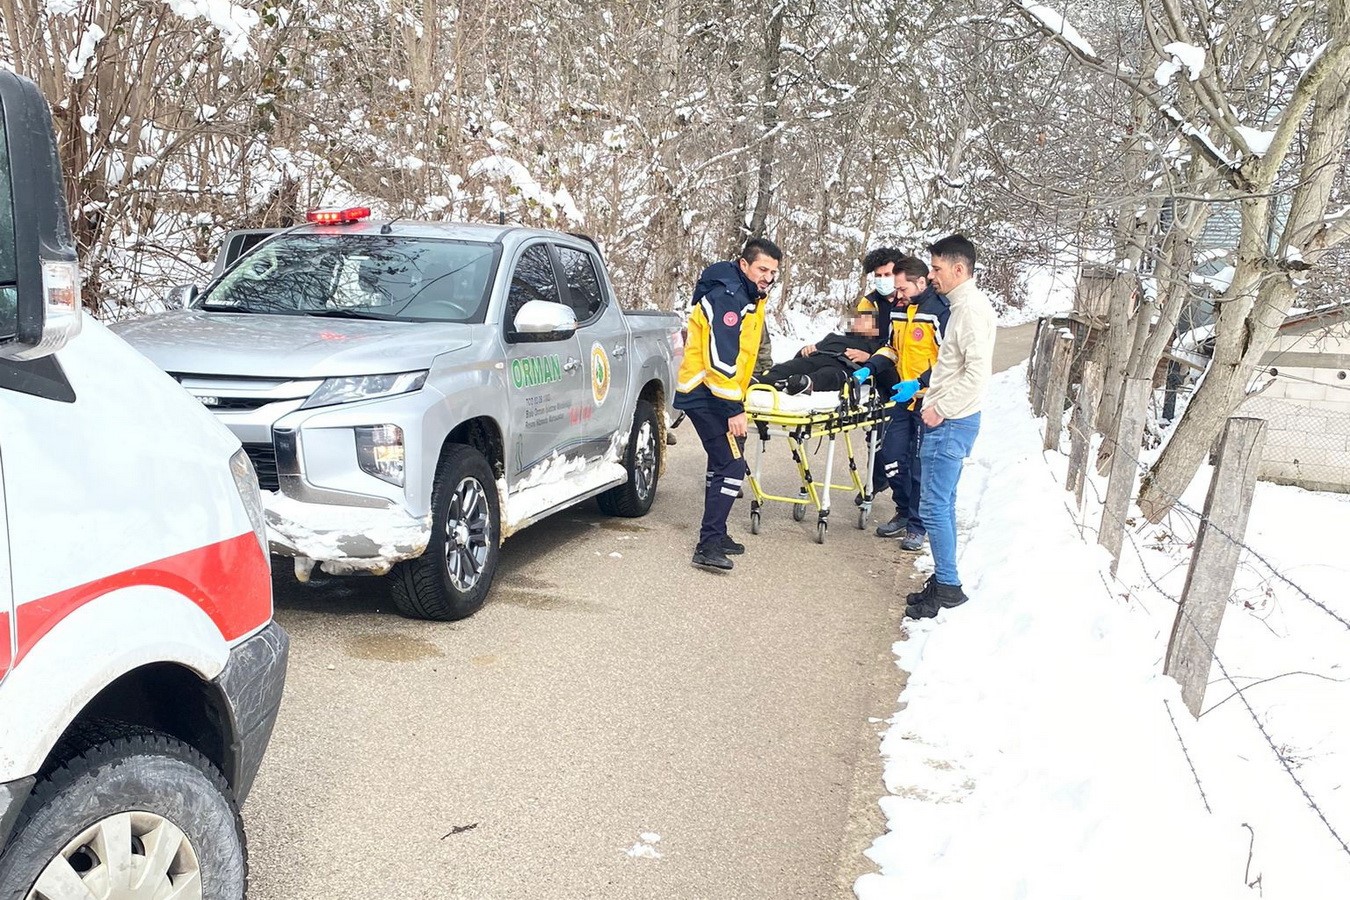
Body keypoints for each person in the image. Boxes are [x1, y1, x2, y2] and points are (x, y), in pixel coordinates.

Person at [675, 237, 782, 571]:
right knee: (732, 465)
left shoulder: (748, 293)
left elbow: (745, 351)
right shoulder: (729, 296)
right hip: (706, 391)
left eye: (773, 272)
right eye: (762, 269)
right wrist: (733, 409)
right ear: (744, 264)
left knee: (720, 461)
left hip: (717, 391)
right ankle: (707, 546)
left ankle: (717, 534)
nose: (768, 276)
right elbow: (719, 358)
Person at [905, 234, 997, 619]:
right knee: (939, 503)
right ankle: (945, 579)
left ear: (959, 269)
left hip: (951, 422)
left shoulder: (971, 310)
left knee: (934, 506)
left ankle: (947, 586)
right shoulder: (961, 306)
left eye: (937, 268)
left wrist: (939, 407)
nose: (931, 275)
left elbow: (977, 373)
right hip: (950, 419)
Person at [871, 256, 950, 551]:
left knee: (919, 467)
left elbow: (949, 360)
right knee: (891, 458)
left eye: (902, 288)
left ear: (920, 282)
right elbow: (891, 348)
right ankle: (903, 511)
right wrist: (873, 365)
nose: (898, 294)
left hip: (928, 400)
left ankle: (917, 525)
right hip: (903, 400)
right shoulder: (899, 311)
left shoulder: (939, 312)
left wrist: (920, 382)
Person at [758, 307, 898, 395]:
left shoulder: (877, 348)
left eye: (865, 320)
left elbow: (889, 376)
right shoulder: (833, 337)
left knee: (830, 375)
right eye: (857, 319)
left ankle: (804, 384)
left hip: (844, 366)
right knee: (792, 366)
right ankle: (762, 381)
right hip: (819, 356)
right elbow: (800, 357)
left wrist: (869, 358)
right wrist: (804, 350)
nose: (858, 322)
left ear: (876, 328)